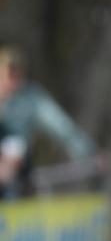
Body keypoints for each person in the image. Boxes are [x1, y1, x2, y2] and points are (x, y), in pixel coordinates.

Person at [0, 45, 95, 199]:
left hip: (16, 173)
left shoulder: (29, 99)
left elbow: (60, 125)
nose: (15, 81)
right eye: (10, 74)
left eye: (18, 74)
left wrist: (89, 152)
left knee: (14, 145)